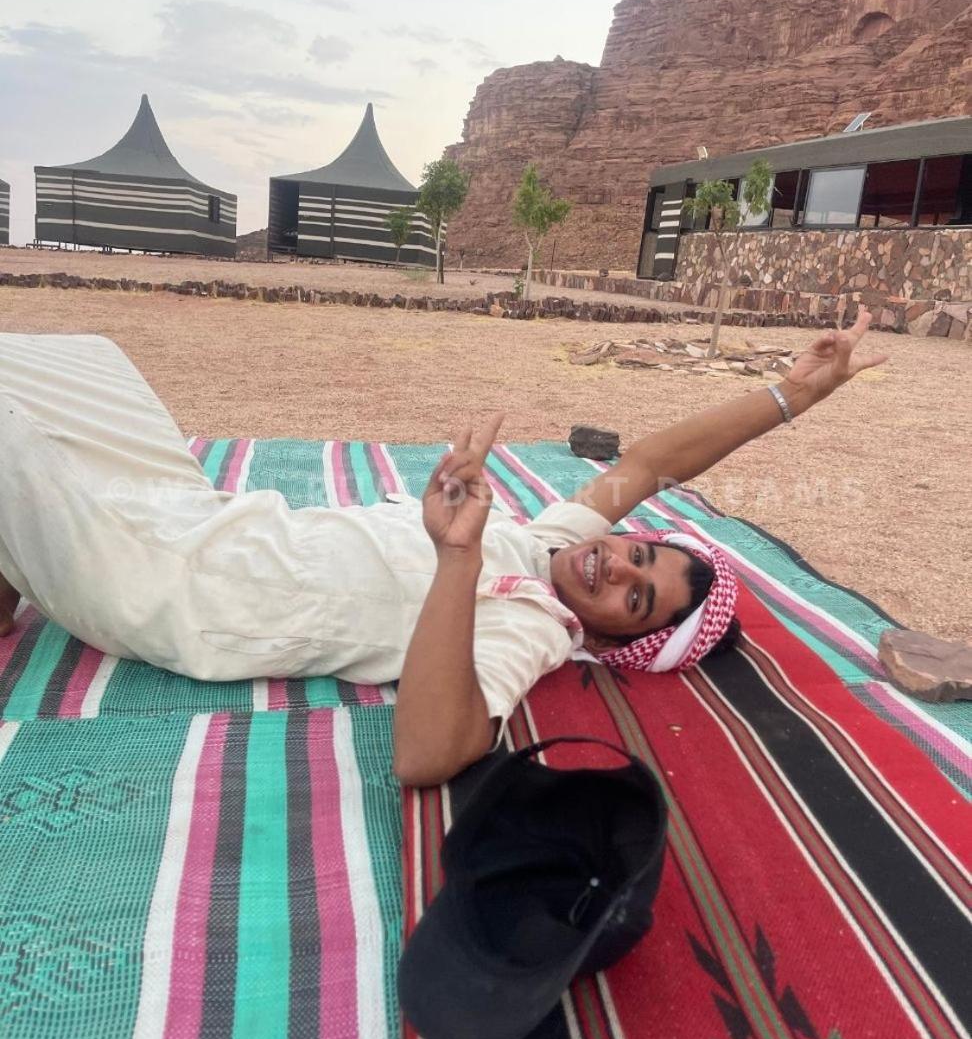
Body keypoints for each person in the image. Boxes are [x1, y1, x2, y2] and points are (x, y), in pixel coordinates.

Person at [0, 311, 886, 785]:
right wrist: (794, 396)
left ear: (618, 639)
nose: (617, 566)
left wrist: (458, 561)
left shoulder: (533, 626)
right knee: (79, 364)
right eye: (639, 554)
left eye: (634, 597)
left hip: (168, 582)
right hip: (201, 514)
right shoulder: (551, 544)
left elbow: (427, 756)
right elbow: (651, 462)